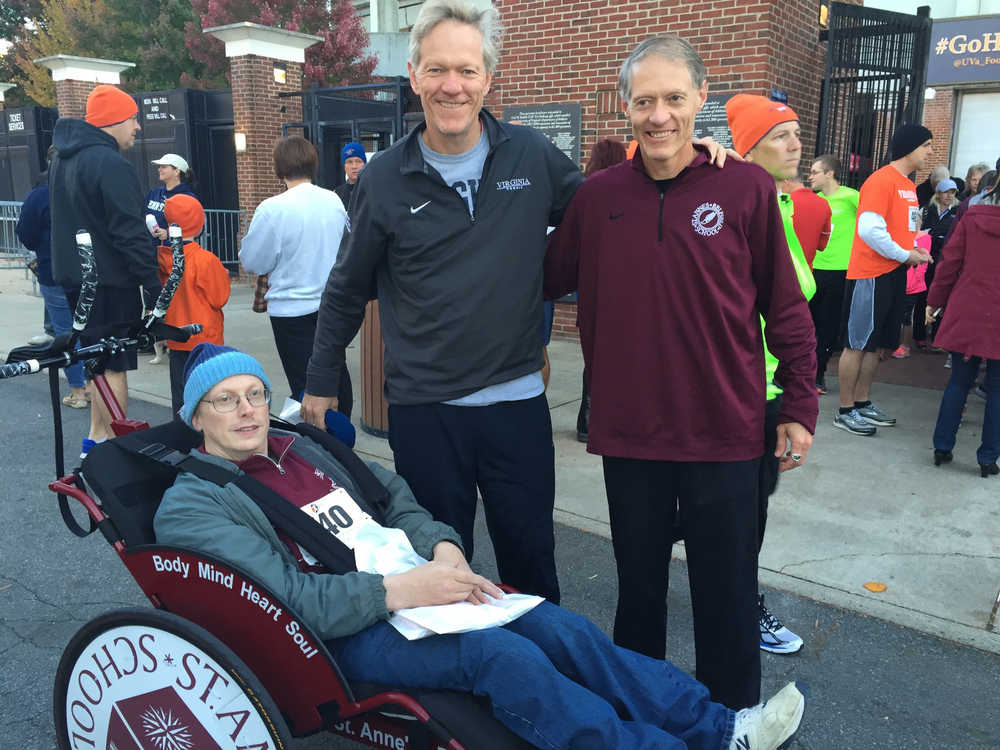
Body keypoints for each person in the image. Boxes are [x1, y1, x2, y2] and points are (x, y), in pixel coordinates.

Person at [154, 343, 808, 750]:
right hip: (341, 633)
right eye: (225, 401)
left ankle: (722, 730)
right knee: (504, 657)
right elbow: (284, 601)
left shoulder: (302, 448)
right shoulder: (196, 503)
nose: (247, 411)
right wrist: (403, 589)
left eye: (255, 394)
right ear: (196, 417)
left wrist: (442, 548)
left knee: (560, 628)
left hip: (417, 586)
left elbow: (395, 500)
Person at [545, 37, 817, 710]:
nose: (659, 115)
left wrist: (799, 406)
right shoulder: (598, 197)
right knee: (638, 593)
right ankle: (643, 717)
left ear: (701, 98)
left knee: (726, 596)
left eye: (673, 98)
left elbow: (785, 306)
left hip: (726, 430)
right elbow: (542, 277)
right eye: (644, 101)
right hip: (631, 433)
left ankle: (734, 720)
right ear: (626, 107)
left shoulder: (745, 188)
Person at [301, 0, 585, 604]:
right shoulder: (383, 177)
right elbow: (347, 286)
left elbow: (606, 213)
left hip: (516, 405)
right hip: (426, 413)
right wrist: (321, 380)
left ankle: (539, 665)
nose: (451, 85)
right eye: (436, 69)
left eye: (466, 70)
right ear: (413, 76)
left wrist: (689, 165)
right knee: (442, 576)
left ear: (488, 78)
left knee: (532, 566)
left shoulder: (531, 155)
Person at [726, 94, 821, 658]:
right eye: (780, 136)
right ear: (748, 149)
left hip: (772, 391)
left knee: (751, 511)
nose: (796, 145)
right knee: (742, 518)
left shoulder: (781, 204)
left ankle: (735, 596)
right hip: (739, 394)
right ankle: (741, 608)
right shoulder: (742, 205)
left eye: (796, 133)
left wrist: (795, 400)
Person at [49, 84, 162, 457]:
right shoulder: (110, 163)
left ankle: (96, 443)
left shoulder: (63, 159)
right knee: (114, 363)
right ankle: (116, 453)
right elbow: (128, 230)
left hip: (76, 278)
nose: (137, 127)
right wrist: (152, 283)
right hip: (110, 280)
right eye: (133, 118)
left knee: (96, 361)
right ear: (115, 120)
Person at [239, 135, 351, 414]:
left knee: (305, 385)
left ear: (279, 167)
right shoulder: (333, 201)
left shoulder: (272, 208)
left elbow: (254, 262)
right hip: (332, 304)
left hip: (290, 308)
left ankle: (319, 439)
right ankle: (341, 431)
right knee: (335, 372)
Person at [834, 124, 933, 437]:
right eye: (926, 145)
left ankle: (862, 402)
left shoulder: (908, 186)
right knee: (857, 344)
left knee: (876, 345)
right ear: (910, 147)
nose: (930, 151)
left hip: (893, 272)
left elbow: (901, 229)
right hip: (870, 274)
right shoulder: (881, 180)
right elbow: (869, 230)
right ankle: (845, 410)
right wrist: (905, 254)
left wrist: (913, 248)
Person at [927, 178, 1000, 478]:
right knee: (997, 390)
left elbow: (949, 262)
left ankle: (942, 446)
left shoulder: (972, 215)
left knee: (958, 381)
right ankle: (988, 458)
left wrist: (934, 301)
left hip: (969, 305)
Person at [15, 151, 88, 408]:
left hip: (53, 269)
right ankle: (94, 385)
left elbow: (26, 233)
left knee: (65, 331)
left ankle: (78, 390)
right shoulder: (85, 188)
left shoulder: (39, 195)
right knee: (89, 328)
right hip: (88, 269)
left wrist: (42, 248)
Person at [155, 194, 230, 416]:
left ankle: (182, 432)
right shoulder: (205, 259)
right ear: (199, 224)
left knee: (181, 397)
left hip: (176, 337)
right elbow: (219, 298)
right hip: (205, 338)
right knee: (208, 396)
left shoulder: (163, 259)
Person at [574, 138, 629, 443]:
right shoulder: (621, 192)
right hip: (619, 291)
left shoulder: (585, 191)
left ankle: (587, 420)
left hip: (591, 291)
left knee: (593, 359)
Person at [808, 154, 859, 394]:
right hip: (813, 270)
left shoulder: (851, 197)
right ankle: (803, 372)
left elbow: (874, 220)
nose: (810, 177)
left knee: (828, 326)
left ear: (830, 174)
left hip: (840, 272)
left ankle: (818, 375)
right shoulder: (815, 201)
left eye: (815, 172)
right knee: (808, 323)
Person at [144, 153, 197, 364]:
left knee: (176, 303)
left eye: (164, 166)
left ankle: (178, 344)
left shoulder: (188, 197)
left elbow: (196, 228)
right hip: (153, 255)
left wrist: (171, 234)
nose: (159, 169)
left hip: (175, 258)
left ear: (177, 171)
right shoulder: (154, 194)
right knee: (152, 303)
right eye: (159, 166)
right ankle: (157, 348)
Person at [779, 176, 831, 270]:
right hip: (806, 272)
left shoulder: (781, 202)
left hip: (781, 269)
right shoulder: (823, 203)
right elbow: (822, 245)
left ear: (786, 181)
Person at [334, 141, 366, 209]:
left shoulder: (373, 191)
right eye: (349, 162)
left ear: (365, 164)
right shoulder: (337, 194)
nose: (354, 166)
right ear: (344, 166)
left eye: (358, 161)